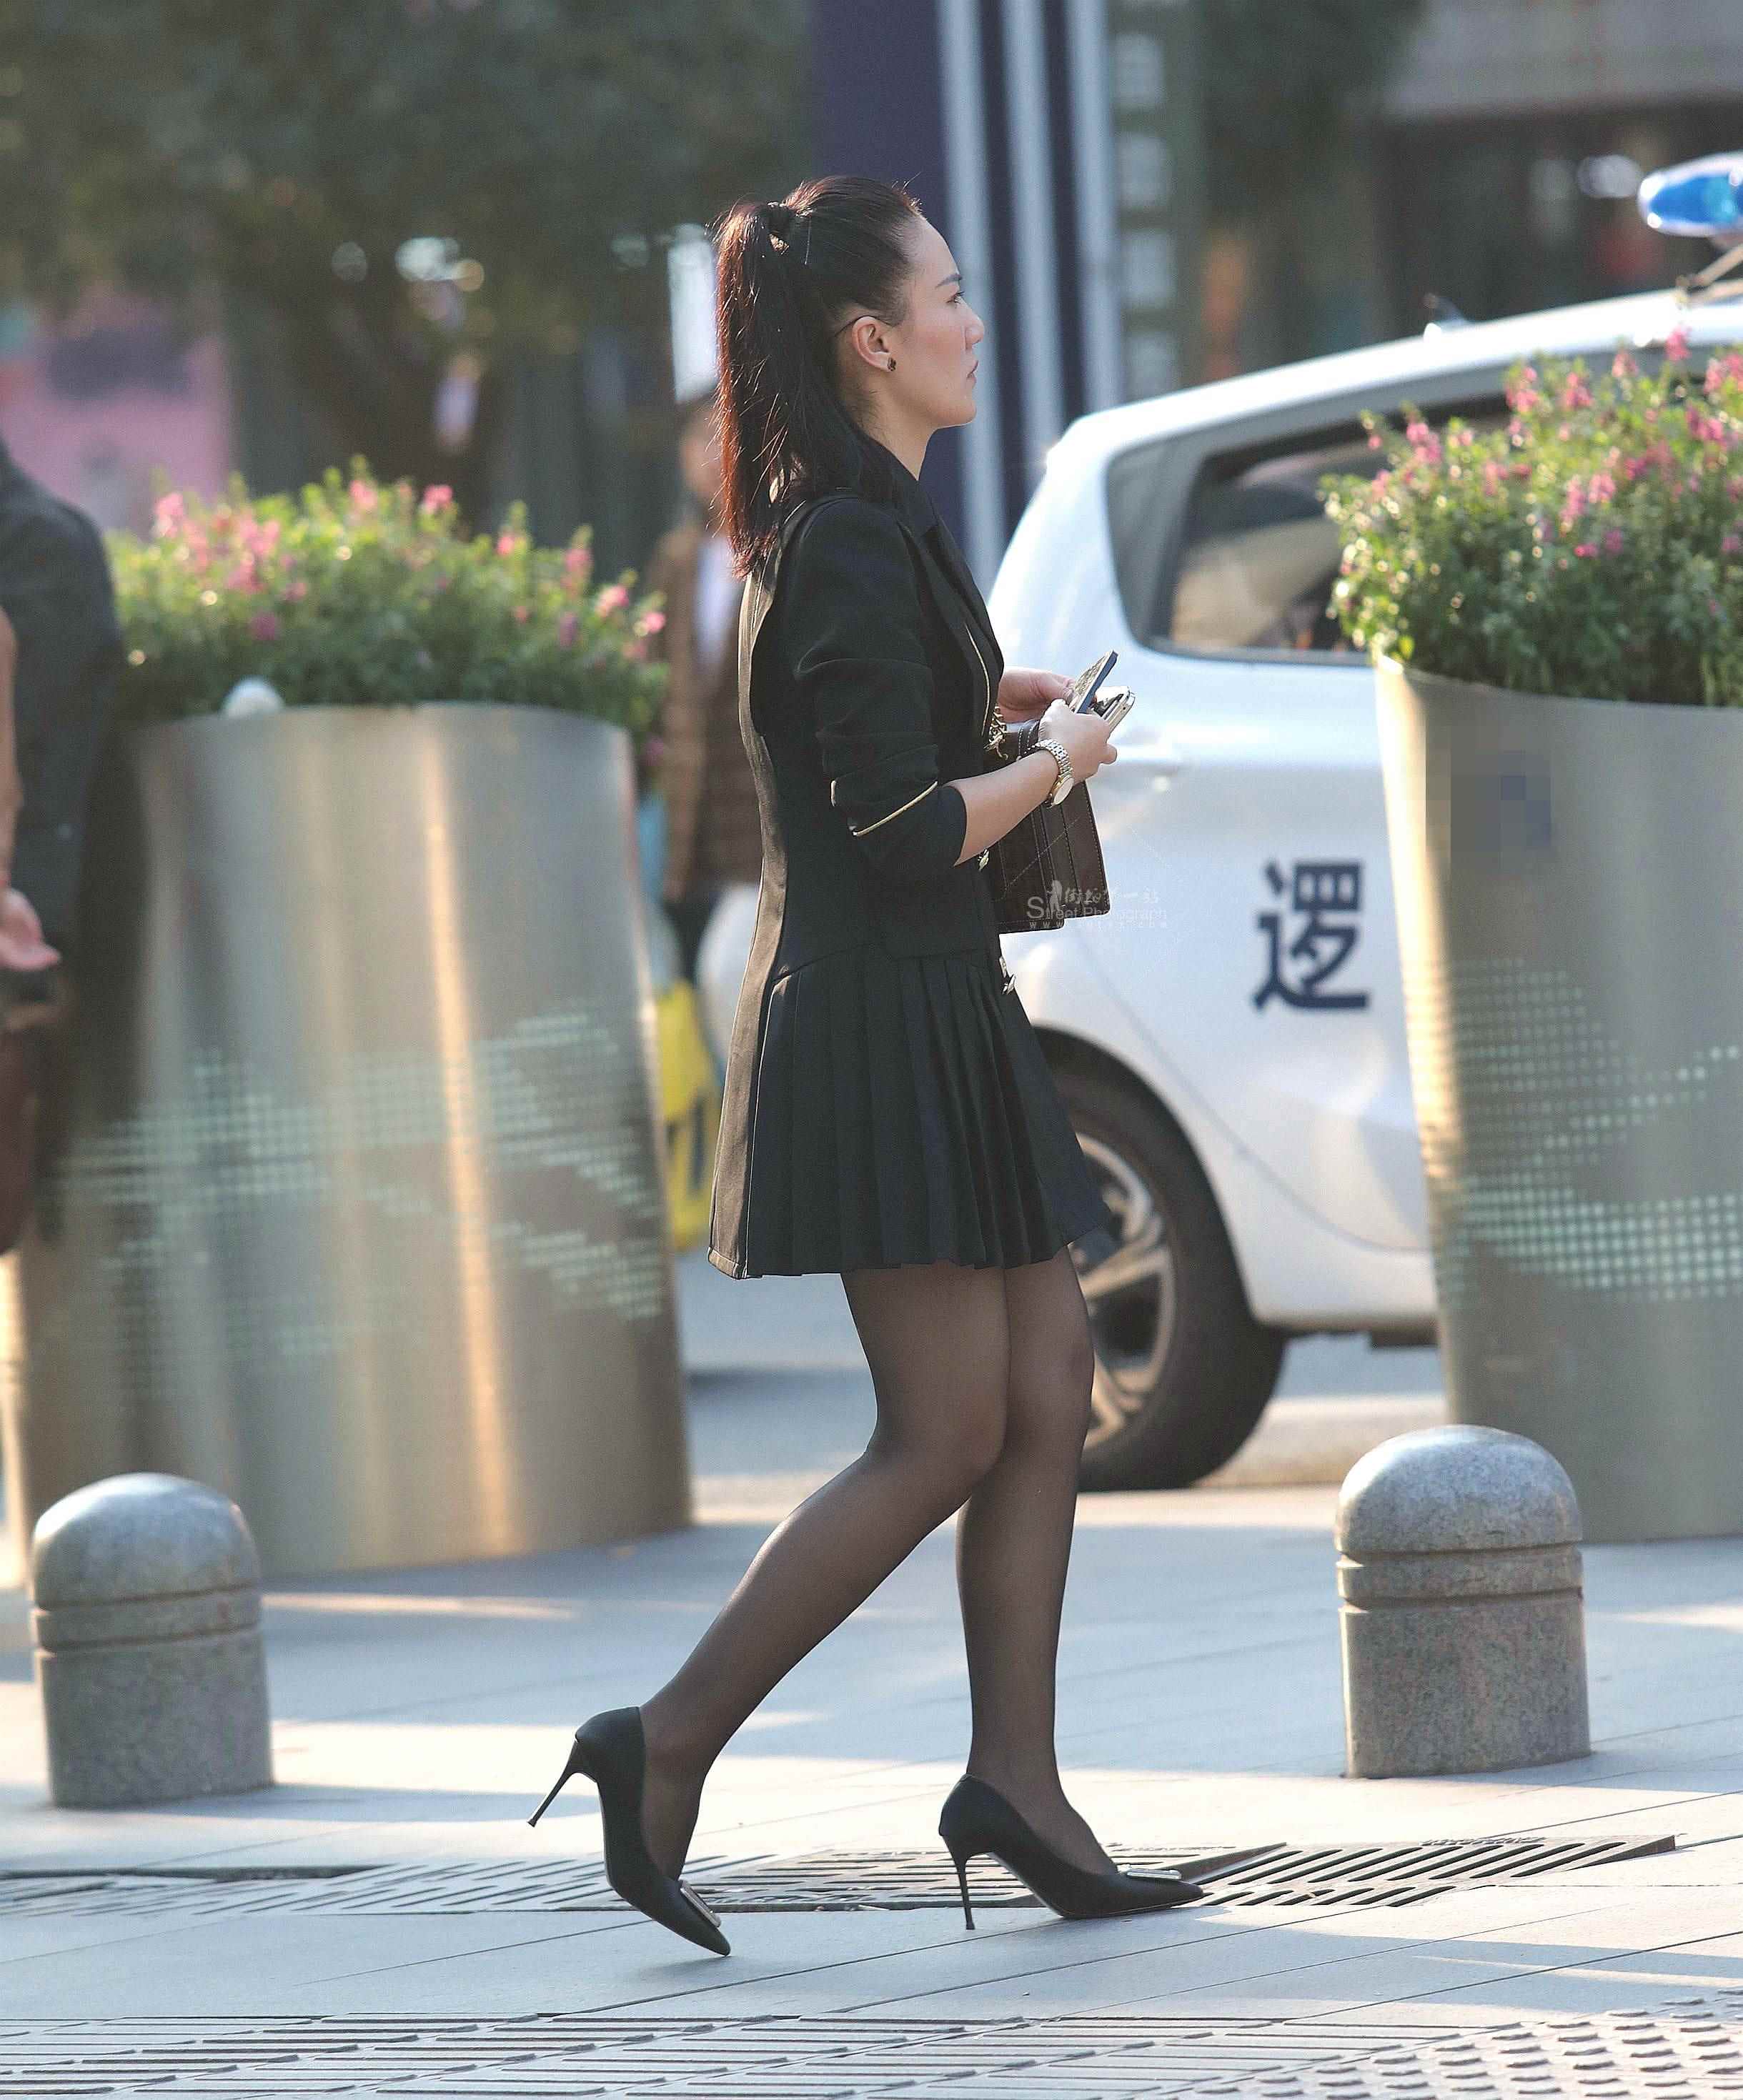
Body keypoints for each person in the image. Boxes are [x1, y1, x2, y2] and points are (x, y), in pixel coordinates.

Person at [529, 176, 1198, 1955]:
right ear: (873, 341)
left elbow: (889, 732)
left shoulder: (878, 522)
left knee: (1049, 1381)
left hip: (936, 1003)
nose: (975, 321)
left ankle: (1014, 1780)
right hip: (877, 1016)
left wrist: (1009, 703)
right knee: (946, 1425)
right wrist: (1051, 764)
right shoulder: (832, 536)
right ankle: (662, 1738)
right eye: (950, 295)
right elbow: (897, 830)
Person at [646, 387, 761, 988]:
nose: (712, 453)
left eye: (724, 436)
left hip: (763, 819)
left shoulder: (777, 548)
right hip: (693, 821)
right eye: (698, 438)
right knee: (698, 978)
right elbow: (652, 687)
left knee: (734, 974)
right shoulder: (678, 561)